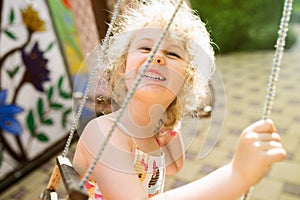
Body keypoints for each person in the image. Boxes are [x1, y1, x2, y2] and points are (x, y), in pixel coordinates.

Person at [73, 0, 286, 199]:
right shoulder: (102, 134)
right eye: (145, 47)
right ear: (123, 66)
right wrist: (236, 175)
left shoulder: (155, 131)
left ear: (187, 80)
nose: (156, 56)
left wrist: (170, 122)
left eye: (173, 54)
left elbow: (173, 165)